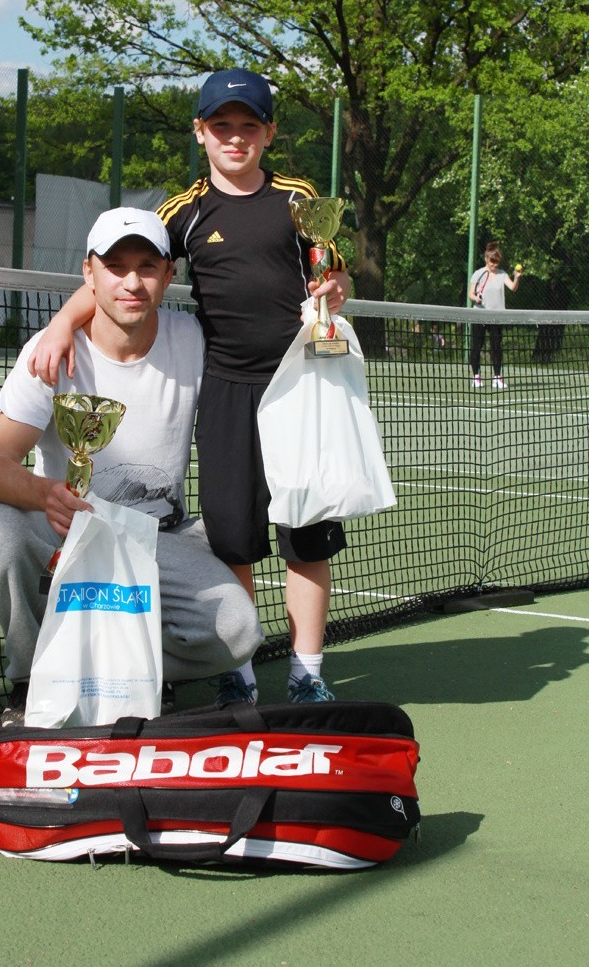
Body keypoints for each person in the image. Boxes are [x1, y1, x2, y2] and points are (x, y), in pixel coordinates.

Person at [28, 68, 351, 709]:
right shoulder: (184, 210)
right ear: (201, 132)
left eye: (249, 127)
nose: (236, 138)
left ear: (269, 134)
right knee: (234, 536)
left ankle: (308, 672)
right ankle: (242, 672)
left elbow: (332, 275)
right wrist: (64, 323)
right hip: (225, 389)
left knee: (305, 535)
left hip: (302, 384)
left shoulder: (299, 198)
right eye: (222, 126)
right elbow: (123, 269)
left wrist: (336, 292)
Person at [0, 207, 263, 725]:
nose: (132, 281)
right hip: (68, 534)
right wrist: (46, 495)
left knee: (240, 632)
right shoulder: (46, 355)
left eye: (147, 267)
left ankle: (135, 667)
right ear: (89, 273)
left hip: (160, 540)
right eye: (115, 266)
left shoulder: (194, 341)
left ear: (169, 275)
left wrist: (329, 288)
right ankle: (30, 676)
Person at [468, 242, 522, 389]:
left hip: (497, 316)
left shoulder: (502, 274)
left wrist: (516, 277)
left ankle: (497, 378)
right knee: (476, 347)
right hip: (479, 315)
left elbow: (513, 288)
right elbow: (470, 293)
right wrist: (476, 298)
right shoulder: (478, 274)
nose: (494, 265)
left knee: (496, 347)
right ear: (487, 259)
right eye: (492, 262)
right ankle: (476, 377)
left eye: (497, 263)